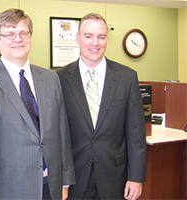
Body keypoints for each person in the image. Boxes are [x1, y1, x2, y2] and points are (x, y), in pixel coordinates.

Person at [0, 8, 75, 200]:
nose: (18, 39)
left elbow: (61, 131)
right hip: (7, 188)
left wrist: (65, 180)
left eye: (23, 33)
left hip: (50, 185)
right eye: (9, 34)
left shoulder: (50, 78)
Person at [56, 13, 147, 200]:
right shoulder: (59, 79)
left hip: (116, 179)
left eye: (101, 37)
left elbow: (136, 134)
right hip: (75, 180)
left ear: (107, 39)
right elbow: (56, 135)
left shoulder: (127, 77)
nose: (95, 43)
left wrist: (136, 178)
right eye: (88, 36)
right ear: (77, 39)